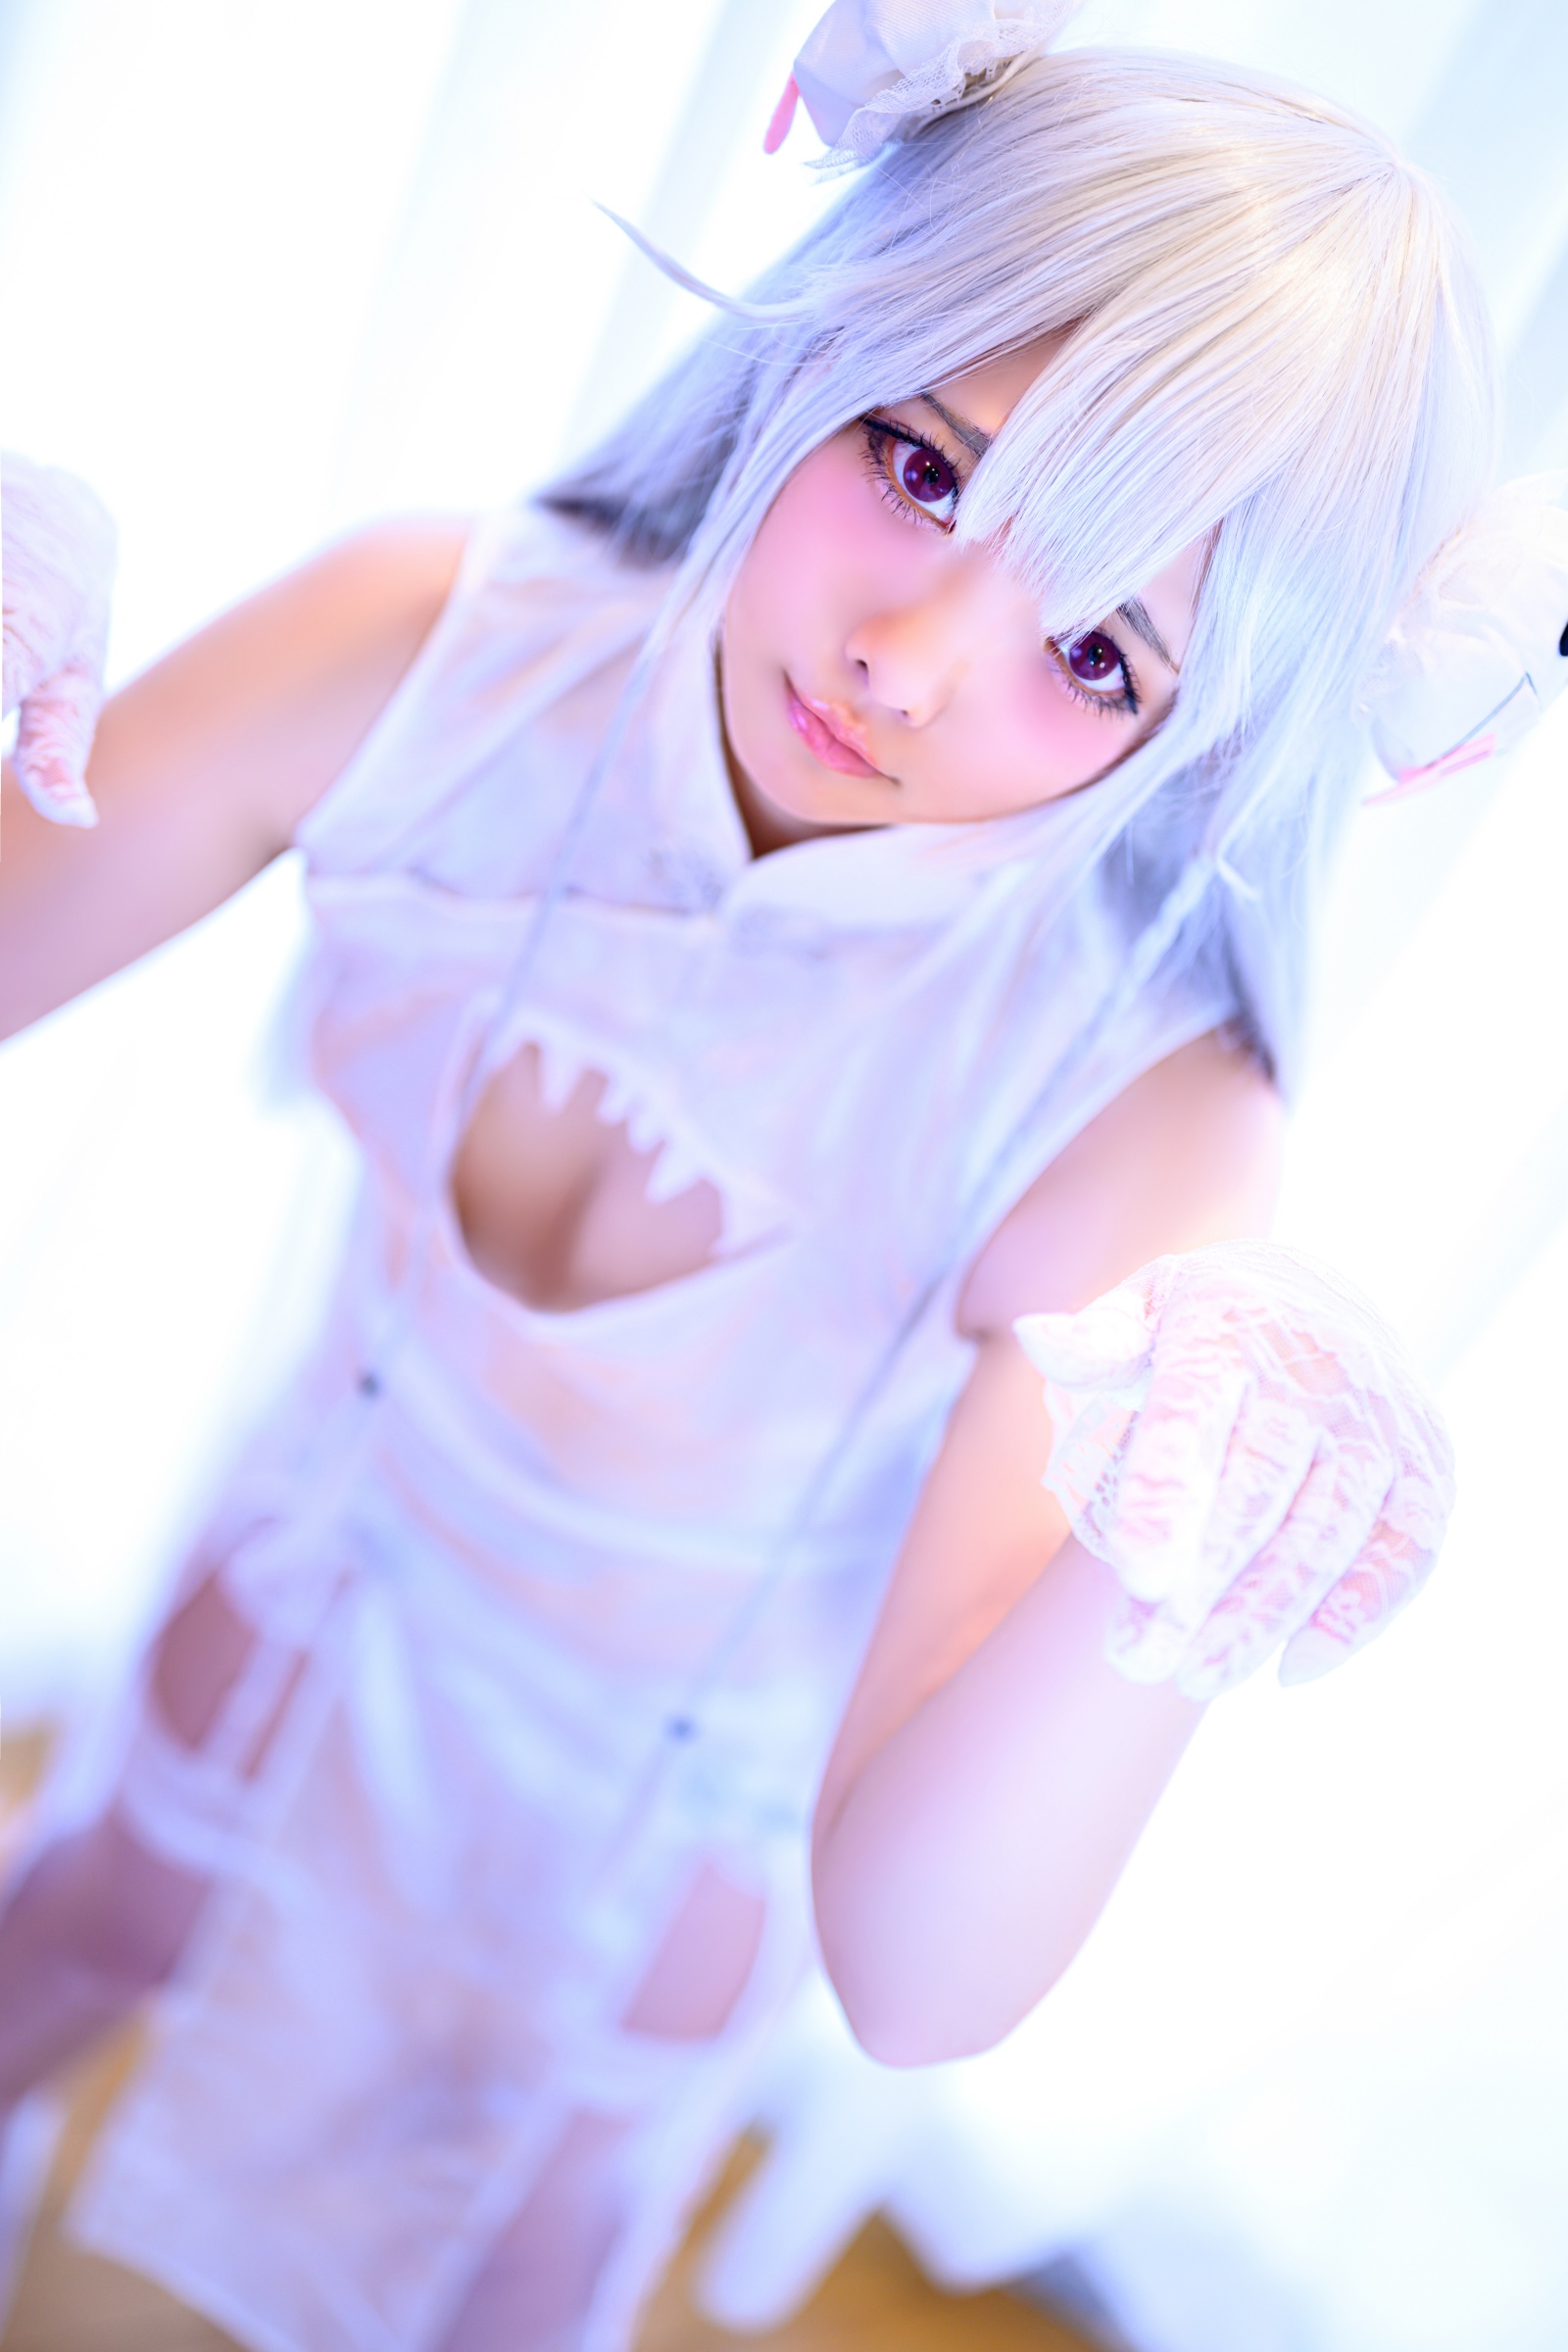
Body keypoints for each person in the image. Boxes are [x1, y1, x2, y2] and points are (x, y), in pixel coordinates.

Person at [0, 8, 1544, 2347]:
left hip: (639, 1851)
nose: (908, 661)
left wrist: (1173, 1583)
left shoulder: (1135, 1109)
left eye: (1092, 649)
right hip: (303, 1558)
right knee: (81, 1919)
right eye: (921, 466)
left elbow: (916, 1979)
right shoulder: (442, 644)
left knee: (507, 2258)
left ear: (1215, 728)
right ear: (832, 327)